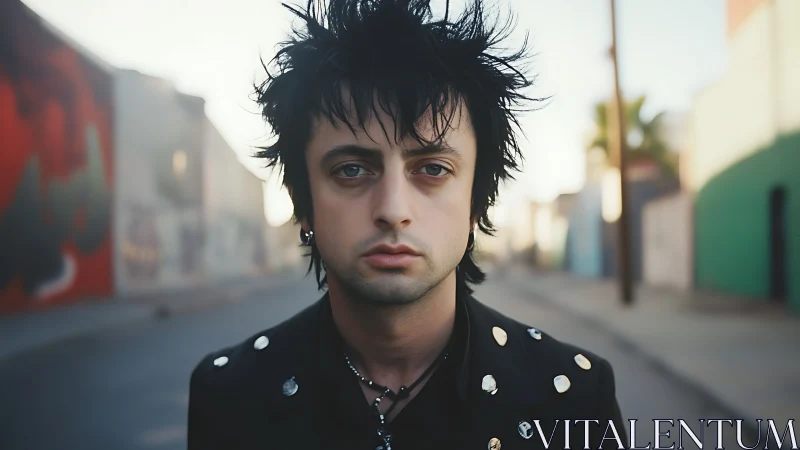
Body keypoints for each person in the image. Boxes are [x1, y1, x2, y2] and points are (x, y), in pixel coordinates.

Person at [187, 0, 628, 448]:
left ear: (476, 203)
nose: (393, 209)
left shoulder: (571, 396)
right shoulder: (229, 394)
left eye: (433, 169)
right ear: (303, 203)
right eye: (352, 170)